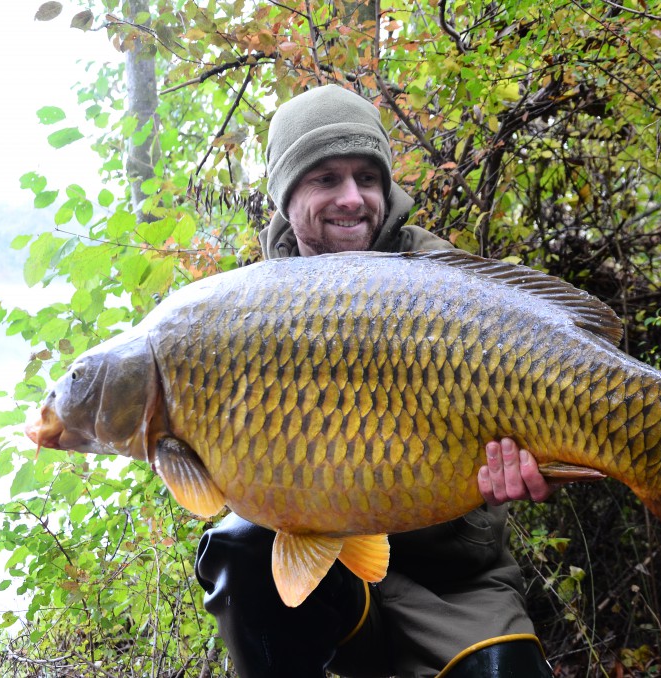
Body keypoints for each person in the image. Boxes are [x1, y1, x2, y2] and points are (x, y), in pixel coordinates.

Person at [195, 85, 555, 678]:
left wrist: (535, 465)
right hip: (327, 572)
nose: (352, 198)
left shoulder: (440, 279)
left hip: (452, 579)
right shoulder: (245, 313)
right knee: (240, 545)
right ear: (286, 197)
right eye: (325, 179)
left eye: (367, 176)